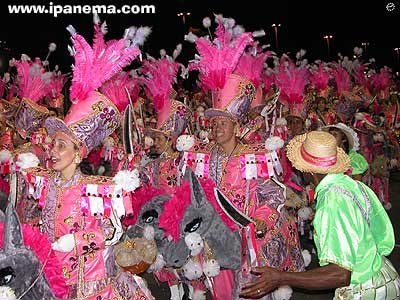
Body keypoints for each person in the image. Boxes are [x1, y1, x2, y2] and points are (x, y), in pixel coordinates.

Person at [21, 18, 154, 299]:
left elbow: (111, 231)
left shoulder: (97, 189)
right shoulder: (44, 182)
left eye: (61, 146)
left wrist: (76, 240)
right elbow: (33, 218)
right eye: (53, 145)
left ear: (79, 152)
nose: (53, 151)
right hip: (52, 276)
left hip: (91, 282)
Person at [241, 131, 400, 299]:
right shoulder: (351, 184)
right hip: (382, 273)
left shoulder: (332, 202)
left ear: (309, 171)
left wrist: (281, 277)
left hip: (366, 289)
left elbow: (340, 274)